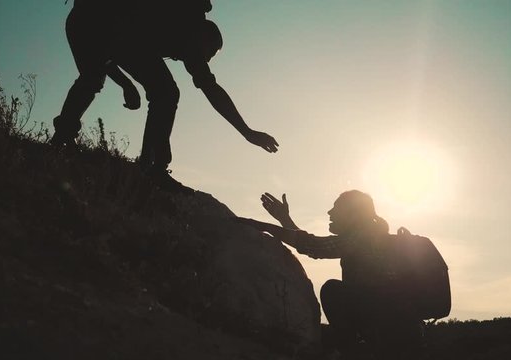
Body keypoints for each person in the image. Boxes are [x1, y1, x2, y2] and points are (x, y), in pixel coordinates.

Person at [111, 4, 279, 192]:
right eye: (211, 53)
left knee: (165, 93)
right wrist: (247, 132)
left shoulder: (188, 32)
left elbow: (211, 89)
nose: (207, 60)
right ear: (203, 38)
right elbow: (212, 90)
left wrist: (247, 132)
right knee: (166, 93)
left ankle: (149, 167)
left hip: (123, 35)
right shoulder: (189, 30)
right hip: (118, 32)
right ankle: (153, 169)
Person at [237, 190, 425, 358]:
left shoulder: (363, 238)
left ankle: (351, 352)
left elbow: (313, 246)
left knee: (332, 290)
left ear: (353, 214)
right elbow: (312, 244)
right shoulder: (372, 236)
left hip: (391, 334)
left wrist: (266, 227)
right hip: (400, 331)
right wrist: (284, 220)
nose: (330, 212)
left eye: (337, 208)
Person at [51, 0, 142, 147]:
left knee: (92, 77)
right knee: (92, 76)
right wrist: (127, 85)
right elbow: (104, 58)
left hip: (90, 19)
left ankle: (63, 134)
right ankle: (63, 134)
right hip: (86, 19)